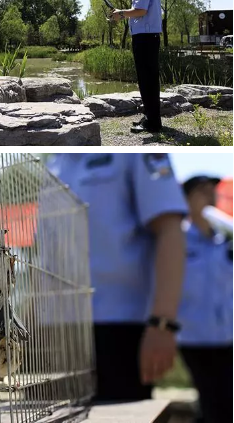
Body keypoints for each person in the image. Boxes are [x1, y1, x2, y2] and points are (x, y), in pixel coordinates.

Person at [43, 153, 188, 402]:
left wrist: (163, 324)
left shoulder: (134, 155)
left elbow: (170, 230)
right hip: (57, 331)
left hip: (119, 329)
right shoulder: (53, 162)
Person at [177, 176, 233, 423]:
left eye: (213, 190)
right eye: (203, 191)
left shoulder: (224, 237)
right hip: (193, 336)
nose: (211, 195)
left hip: (226, 335)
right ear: (187, 198)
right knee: (212, 400)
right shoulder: (177, 238)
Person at [111, 0, 163, 134]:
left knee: (146, 80)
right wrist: (123, 13)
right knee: (148, 79)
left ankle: (153, 123)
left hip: (145, 38)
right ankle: (150, 117)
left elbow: (140, 10)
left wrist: (122, 13)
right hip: (148, 37)